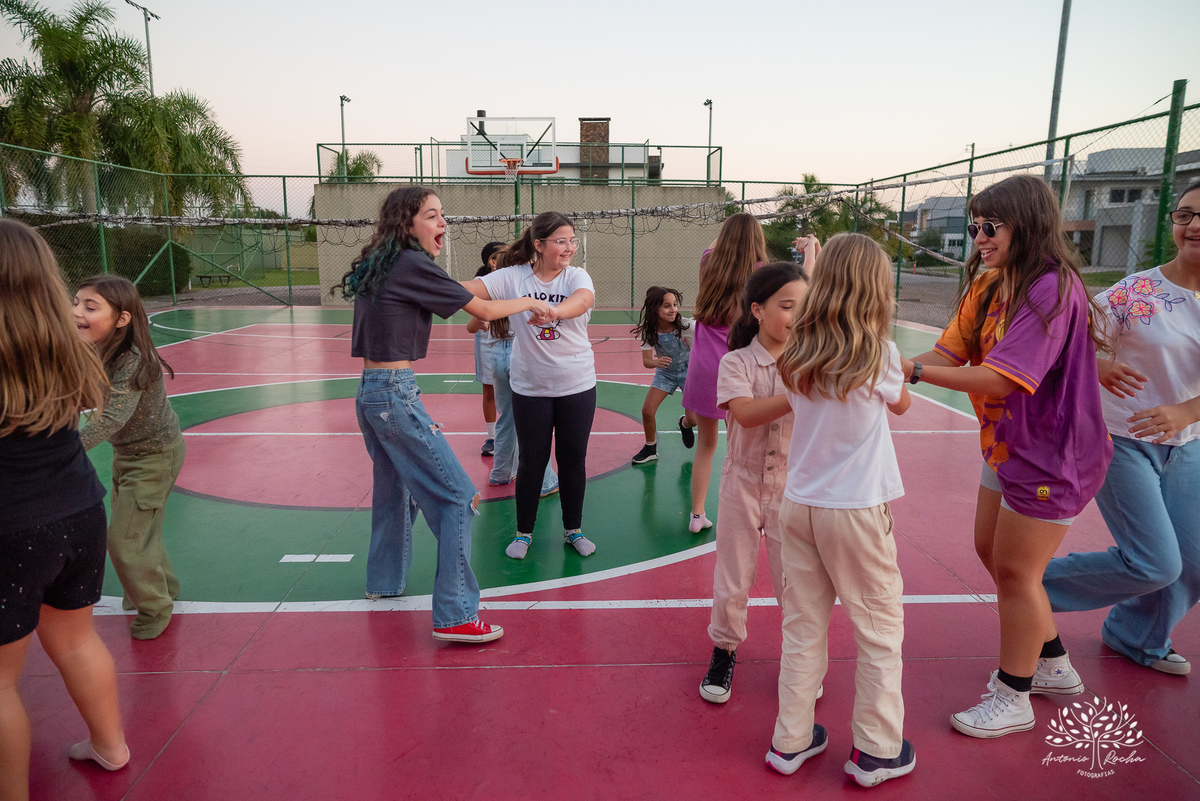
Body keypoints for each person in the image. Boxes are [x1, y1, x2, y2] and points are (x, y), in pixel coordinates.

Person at [903, 175, 1112, 738]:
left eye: (989, 227)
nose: (978, 238)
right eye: (974, 227)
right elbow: (949, 350)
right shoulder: (991, 283)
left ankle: (1013, 695)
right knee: (991, 552)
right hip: (1006, 445)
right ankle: (1054, 665)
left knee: (1018, 571)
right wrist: (880, 363)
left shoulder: (1051, 287)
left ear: (1026, 222)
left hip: (1052, 452)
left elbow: (999, 379)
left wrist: (910, 372)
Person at [335, 186, 549, 643]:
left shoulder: (385, 263)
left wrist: (511, 279)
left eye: (442, 215)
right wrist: (531, 299)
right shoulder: (412, 264)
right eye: (433, 215)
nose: (442, 224)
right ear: (407, 222)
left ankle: (384, 581)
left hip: (370, 393)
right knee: (457, 498)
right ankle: (455, 614)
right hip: (393, 393)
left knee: (394, 490)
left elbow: (460, 295)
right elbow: (485, 310)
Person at [770, 233, 915, 787]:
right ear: (876, 287)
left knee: (803, 625)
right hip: (854, 509)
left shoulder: (800, 347)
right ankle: (878, 749)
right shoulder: (878, 352)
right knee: (879, 629)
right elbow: (900, 404)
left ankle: (791, 739)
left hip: (799, 504)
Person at [1042, 178, 1200, 676]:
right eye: (1185, 215)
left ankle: (1135, 636)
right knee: (1155, 562)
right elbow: (1070, 337)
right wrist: (1099, 362)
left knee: (1192, 564)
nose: (1193, 226)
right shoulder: (1138, 292)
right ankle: (1025, 587)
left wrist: (1186, 413)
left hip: (1187, 444)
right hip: (1120, 440)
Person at [0, 219, 130, 800]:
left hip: (13, 526)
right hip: (79, 510)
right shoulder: (66, 349)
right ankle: (111, 746)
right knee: (76, 639)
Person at [697, 262, 808, 705]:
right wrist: (803, 390)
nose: (795, 316)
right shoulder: (736, 361)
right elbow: (743, 412)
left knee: (796, 582)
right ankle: (723, 651)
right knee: (733, 578)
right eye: (786, 306)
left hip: (793, 488)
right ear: (757, 311)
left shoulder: (811, 360)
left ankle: (802, 660)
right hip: (741, 484)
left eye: (803, 306)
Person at [463, 212, 598, 560]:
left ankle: (574, 530)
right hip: (531, 388)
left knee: (572, 461)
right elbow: (468, 292)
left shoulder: (577, 276)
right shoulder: (513, 278)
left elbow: (581, 300)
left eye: (572, 241)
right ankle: (523, 533)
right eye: (561, 241)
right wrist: (425, 280)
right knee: (532, 462)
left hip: (576, 384)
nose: (569, 248)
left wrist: (554, 313)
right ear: (539, 245)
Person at [73, 275, 184, 640]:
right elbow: (88, 395)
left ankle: (154, 608)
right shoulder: (98, 350)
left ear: (121, 319)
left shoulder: (133, 359)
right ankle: (165, 587)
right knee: (140, 528)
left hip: (154, 456)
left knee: (124, 539)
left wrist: (65, 449)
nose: (77, 312)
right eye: (77, 303)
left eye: (90, 307)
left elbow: (112, 415)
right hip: (128, 454)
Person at [682, 214, 765, 533]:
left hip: (703, 367)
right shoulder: (760, 274)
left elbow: (713, 247)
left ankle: (697, 515)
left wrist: (729, 231)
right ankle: (749, 515)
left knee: (707, 444)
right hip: (739, 369)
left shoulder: (708, 262)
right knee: (743, 447)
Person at [485, 247, 559, 498]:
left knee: (506, 417)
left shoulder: (493, 294)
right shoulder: (520, 291)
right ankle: (547, 480)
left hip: (495, 356)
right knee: (533, 423)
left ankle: (501, 472)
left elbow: (473, 324)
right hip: (517, 355)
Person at [629, 285, 697, 465]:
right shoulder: (648, 331)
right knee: (647, 410)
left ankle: (684, 423)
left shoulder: (686, 326)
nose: (673, 309)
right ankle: (650, 448)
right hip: (665, 373)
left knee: (694, 420)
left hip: (689, 372)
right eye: (667, 306)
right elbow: (646, 361)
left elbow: (702, 343)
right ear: (655, 309)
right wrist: (656, 363)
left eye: (674, 305)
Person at [468, 242, 506, 457]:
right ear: (493, 261)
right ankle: (492, 437)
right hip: (487, 341)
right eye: (505, 254)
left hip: (512, 341)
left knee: (517, 390)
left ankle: (513, 433)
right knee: (489, 390)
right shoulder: (479, 284)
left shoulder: (515, 278)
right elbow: (472, 318)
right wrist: (481, 319)